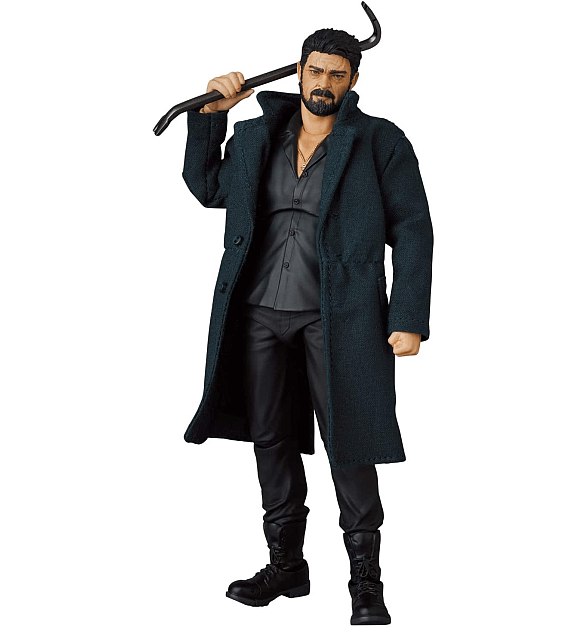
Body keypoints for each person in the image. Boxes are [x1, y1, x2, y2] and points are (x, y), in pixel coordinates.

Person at [181, 28, 433, 625]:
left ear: (353, 80)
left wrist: (408, 318)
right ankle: (286, 565)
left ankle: (365, 583)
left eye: (337, 75)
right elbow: (207, 188)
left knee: (350, 440)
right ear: (299, 71)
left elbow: (414, 228)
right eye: (316, 71)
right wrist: (210, 117)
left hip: (340, 316)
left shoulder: (379, 141)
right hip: (258, 311)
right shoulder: (257, 136)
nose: (324, 84)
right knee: (269, 437)